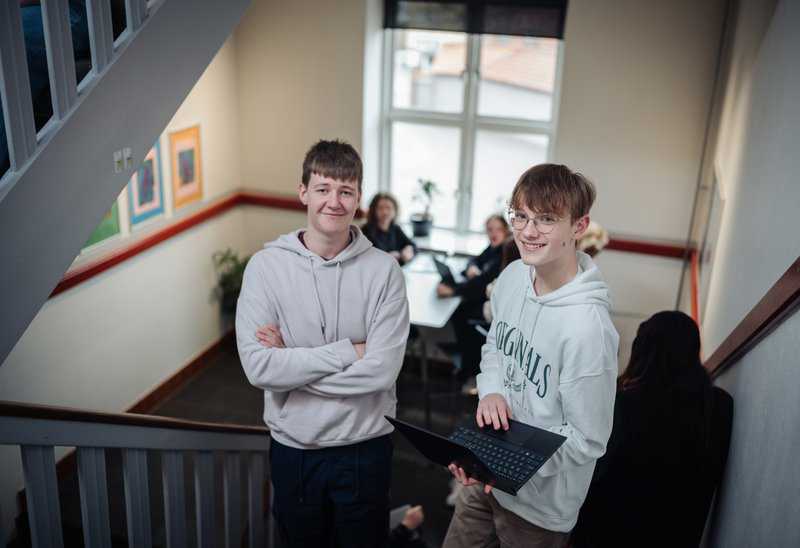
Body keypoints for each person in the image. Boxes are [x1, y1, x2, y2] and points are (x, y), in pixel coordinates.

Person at [235, 139, 410, 547]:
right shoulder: (265, 267)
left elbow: (381, 372)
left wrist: (290, 365)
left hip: (365, 447)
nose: (334, 201)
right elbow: (259, 368)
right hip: (295, 448)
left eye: (346, 191)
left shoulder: (385, 272)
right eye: (323, 188)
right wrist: (351, 351)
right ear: (303, 193)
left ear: (358, 199)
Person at [443, 163, 619, 548]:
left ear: (578, 226)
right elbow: (494, 347)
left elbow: (588, 438)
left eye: (546, 219)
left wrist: (504, 463)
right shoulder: (511, 278)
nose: (527, 231)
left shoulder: (589, 328)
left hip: (539, 509)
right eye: (520, 216)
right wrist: (491, 391)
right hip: (485, 480)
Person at [571, 311, 733, 548]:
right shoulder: (720, 406)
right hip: (679, 536)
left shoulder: (625, 403)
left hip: (607, 533)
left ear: (645, 351)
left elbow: (595, 475)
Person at [436, 214, 511, 385]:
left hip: (494, 306)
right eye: (490, 230)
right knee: (460, 309)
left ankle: (470, 366)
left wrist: (453, 291)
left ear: (506, 230)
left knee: (461, 311)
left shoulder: (505, 251)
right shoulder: (493, 248)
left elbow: (482, 283)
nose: (493, 233)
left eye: (498, 229)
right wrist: (472, 267)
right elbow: (475, 260)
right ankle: (465, 358)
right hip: (484, 296)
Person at [362, 192, 417, 264]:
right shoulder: (365, 231)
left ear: (395, 211)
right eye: (380, 208)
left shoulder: (395, 228)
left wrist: (409, 250)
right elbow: (365, 259)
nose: (385, 212)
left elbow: (411, 245)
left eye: (388, 208)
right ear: (373, 210)